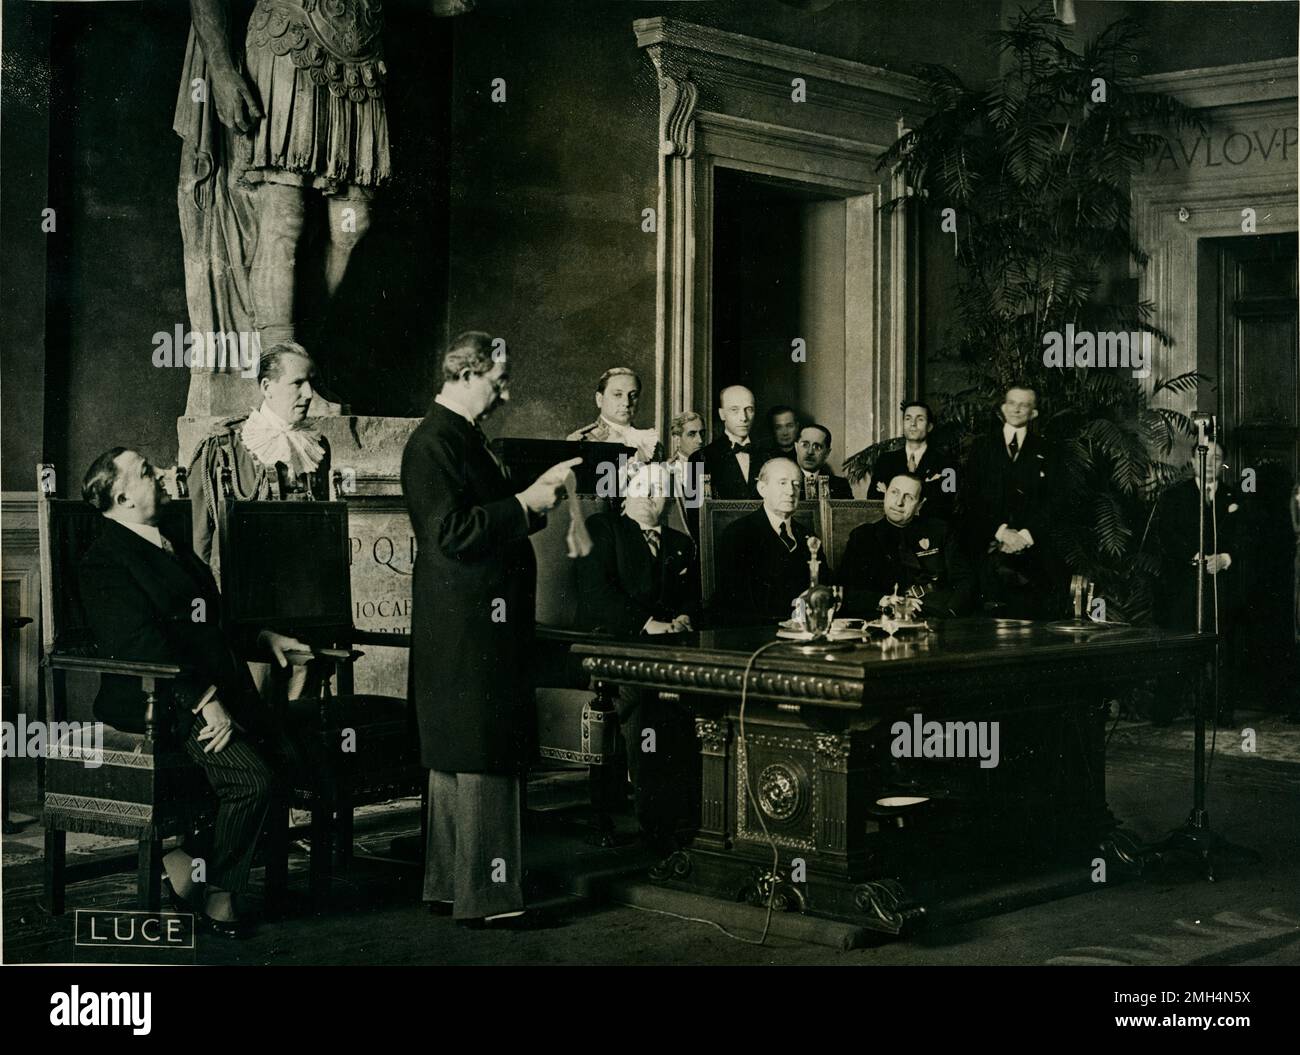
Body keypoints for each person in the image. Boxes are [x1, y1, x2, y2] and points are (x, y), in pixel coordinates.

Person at [78, 448, 307, 938]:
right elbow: (141, 646)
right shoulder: (105, 561)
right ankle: (220, 895)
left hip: (205, 693)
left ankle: (185, 863)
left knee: (291, 760)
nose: (161, 475)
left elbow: (212, 625)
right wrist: (206, 701)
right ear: (122, 496)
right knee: (252, 781)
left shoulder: (170, 544)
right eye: (146, 472)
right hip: (156, 704)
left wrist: (263, 639)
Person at [402, 331, 579, 930]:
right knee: (482, 754)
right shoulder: (433, 441)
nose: (505, 393)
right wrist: (524, 501)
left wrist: (534, 498)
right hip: (468, 625)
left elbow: (482, 519)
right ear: (466, 372)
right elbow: (449, 534)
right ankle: (491, 898)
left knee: (464, 754)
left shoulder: (457, 438)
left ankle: (452, 888)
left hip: (473, 622)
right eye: (497, 380)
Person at [576, 461, 698, 853]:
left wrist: (684, 616)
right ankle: (656, 825)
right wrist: (647, 623)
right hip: (613, 648)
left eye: (661, 489)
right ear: (627, 489)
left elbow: (693, 597)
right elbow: (596, 595)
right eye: (644, 486)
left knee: (702, 698)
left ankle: (695, 818)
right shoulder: (604, 529)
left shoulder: (680, 543)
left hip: (672, 653)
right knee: (648, 705)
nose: (652, 495)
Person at [188, 342, 330, 581]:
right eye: (297, 383)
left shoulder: (316, 446)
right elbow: (196, 539)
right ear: (267, 387)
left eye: (311, 383)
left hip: (303, 585)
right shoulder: (223, 446)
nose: (308, 394)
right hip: (245, 587)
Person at [961, 383, 1063, 618]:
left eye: (1024, 405)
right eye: (1012, 403)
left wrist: (1025, 536)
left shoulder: (1049, 450)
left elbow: (1056, 501)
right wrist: (1001, 532)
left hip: (1035, 552)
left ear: (1033, 413)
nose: (1017, 409)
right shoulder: (981, 447)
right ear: (1003, 408)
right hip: (988, 548)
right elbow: (970, 498)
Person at [840, 473, 975, 618]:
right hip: (888, 620)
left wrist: (950, 613)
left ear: (920, 504)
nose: (899, 502)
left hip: (937, 616)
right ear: (885, 494)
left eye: (909, 497)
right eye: (894, 492)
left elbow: (965, 581)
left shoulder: (940, 531)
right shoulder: (863, 537)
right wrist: (882, 601)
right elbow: (845, 591)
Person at [711, 458, 825, 623]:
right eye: (782, 483)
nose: (791, 492)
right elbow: (737, 601)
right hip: (756, 633)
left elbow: (823, 585)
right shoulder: (738, 534)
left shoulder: (808, 536)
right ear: (762, 488)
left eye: (796, 484)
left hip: (803, 631)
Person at [871, 401, 954, 519]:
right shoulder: (885, 461)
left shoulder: (947, 462)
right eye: (908, 419)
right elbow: (874, 499)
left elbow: (947, 501)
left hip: (928, 530)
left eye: (920, 419)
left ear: (930, 426)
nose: (913, 424)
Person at [690, 385, 769, 500]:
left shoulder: (770, 456)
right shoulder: (699, 458)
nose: (743, 418)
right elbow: (695, 512)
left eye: (749, 409)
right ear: (722, 414)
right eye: (734, 410)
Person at [566, 367, 659, 458]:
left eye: (633, 395)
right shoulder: (581, 442)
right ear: (599, 399)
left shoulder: (650, 443)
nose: (626, 403)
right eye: (618, 395)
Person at [795, 424, 853, 499]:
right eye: (805, 445)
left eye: (817, 447)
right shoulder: (784, 481)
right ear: (796, 447)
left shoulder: (840, 485)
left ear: (827, 453)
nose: (810, 452)